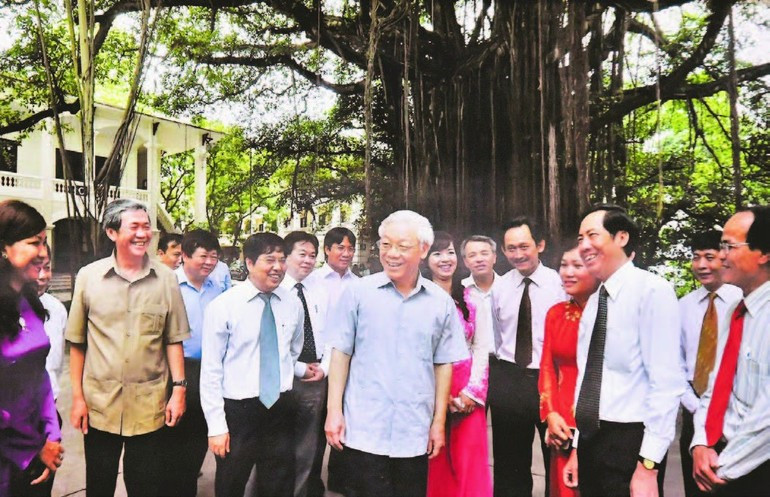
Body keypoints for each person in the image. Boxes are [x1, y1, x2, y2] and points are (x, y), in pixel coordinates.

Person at [325, 211, 469, 497]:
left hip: (413, 430)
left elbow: (443, 364)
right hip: (363, 427)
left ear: (423, 249)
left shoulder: (440, 303)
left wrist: (438, 423)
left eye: (402, 246)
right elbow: (340, 354)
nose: (392, 254)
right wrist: (333, 411)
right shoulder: (358, 293)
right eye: (385, 244)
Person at [66, 199, 190, 497]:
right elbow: (78, 343)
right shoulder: (88, 277)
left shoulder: (167, 279)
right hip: (100, 406)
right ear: (112, 232)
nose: (143, 234)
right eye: (134, 227)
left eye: (146, 227)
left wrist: (179, 391)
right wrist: (78, 398)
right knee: (99, 484)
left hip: (150, 405)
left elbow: (173, 339)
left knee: (146, 486)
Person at [566, 204, 684, 497]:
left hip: (630, 441)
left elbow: (666, 383)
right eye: (580, 239)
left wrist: (648, 465)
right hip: (592, 437)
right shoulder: (596, 300)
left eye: (592, 235)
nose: (584, 246)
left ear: (621, 237)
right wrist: (578, 448)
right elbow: (588, 379)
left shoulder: (652, 291)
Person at [200, 232, 304, 497]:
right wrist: (217, 427)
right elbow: (211, 371)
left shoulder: (292, 303)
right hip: (239, 410)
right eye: (270, 260)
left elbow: (292, 351)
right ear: (249, 262)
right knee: (232, 482)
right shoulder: (224, 306)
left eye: (282, 260)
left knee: (279, 483)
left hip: (281, 406)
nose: (278, 267)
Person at [690, 206, 770, 496]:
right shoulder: (735, 313)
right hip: (719, 459)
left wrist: (724, 467)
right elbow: (716, 385)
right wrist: (701, 443)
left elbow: (767, 417)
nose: (720, 255)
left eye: (728, 246)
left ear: (764, 253)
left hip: (752, 469)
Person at [489, 216, 565, 497]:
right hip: (509, 379)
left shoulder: (559, 285)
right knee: (510, 465)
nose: (518, 254)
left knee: (556, 457)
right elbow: (497, 337)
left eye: (524, 246)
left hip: (550, 381)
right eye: (511, 248)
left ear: (540, 245)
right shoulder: (500, 287)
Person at [0, 200, 64, 497]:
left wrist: (52, 434)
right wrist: (31, 449)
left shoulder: (30, 302)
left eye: (44, 242)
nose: (42, 253)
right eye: (33, 243)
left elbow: (40, 379)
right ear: (4, 248)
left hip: (38, 445)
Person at [425, 232, 493, 497]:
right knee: (435, 457)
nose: (445, 259)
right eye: (437, 253)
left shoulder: (470, 299)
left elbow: (481, 347)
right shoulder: (419, 298)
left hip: (467, 390)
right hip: (429, 386)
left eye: (450, 252)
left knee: (470, 460)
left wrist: (472, 394)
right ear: (426, 259)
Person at [678, 231, 741, 497]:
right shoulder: (683, 306)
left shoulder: (743, 301)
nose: (701, 265)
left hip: (736, 414)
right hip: (694, 412)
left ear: (725, 258)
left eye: (709, 257)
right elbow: (674, 365)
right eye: (696, 258)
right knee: (696, 488)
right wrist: (696, 406)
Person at [163, 229, 224, 496]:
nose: (210, 261)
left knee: (198, 436)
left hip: (209, 371)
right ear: (185, 256)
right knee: (170, 439)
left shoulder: (218, 288)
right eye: (203, 255)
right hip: (175, 371)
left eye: (214, 256)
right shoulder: (167, 286)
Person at [538, 243, 599, 497]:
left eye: (578, 265)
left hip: (599, 420)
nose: (568, 272)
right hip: (562, 423)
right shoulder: (556, 314)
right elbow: (547, 368)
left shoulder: (608, 314)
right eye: (564, 265)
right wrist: (550, 414)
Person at [305, 226, 358, 492]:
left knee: (344, 418)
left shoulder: (358, 284)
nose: (346, 253)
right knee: (314, 428)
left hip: (346, 363)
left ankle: (341, 478)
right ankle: (312, 480)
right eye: (340, 247)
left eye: (350, 248)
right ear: (327, 250)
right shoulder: (313, 281)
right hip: (318, 363)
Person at [280, 231, 329, 497]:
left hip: (315, 379)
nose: (309, 260)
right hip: (282, 379)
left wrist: (325, 368)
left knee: (306, 449)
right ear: (286, 255)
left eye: (313, 255)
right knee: (273, 449)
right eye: (303, 254)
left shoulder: (319, 290)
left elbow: (334, 334)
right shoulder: (274, 289)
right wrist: (299, 368)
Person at [35, 243, 68, 497]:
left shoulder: (56, 309)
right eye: (36, 268)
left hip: (48, 416)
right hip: (12, 423)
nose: (43, 275)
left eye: (47, 267)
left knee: (41, 487)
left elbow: (55, 367)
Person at [461, 235, 501, 360]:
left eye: (484, 253)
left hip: (507, 364)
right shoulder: (460, 291)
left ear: (494, 257)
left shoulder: (509, 287)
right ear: (465, 262)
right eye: (472, 255)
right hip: (472, 364)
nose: (479, 259)